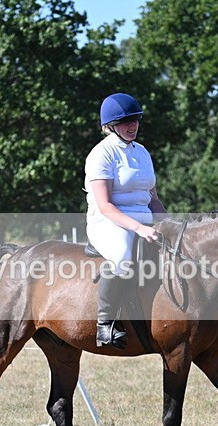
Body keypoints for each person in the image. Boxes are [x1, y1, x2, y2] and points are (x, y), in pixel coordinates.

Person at [84, 93, 168, 349]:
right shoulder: (101, 154)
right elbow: (105, 206)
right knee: (122, 256)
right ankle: (105, 324)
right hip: (108, 222)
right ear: (110, 126)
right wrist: (140, 228)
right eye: (125, 122)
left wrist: (172, 225)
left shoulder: (142, 152)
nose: (132, 126)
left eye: (135, 120)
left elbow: (152, 198)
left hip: (143, 221)